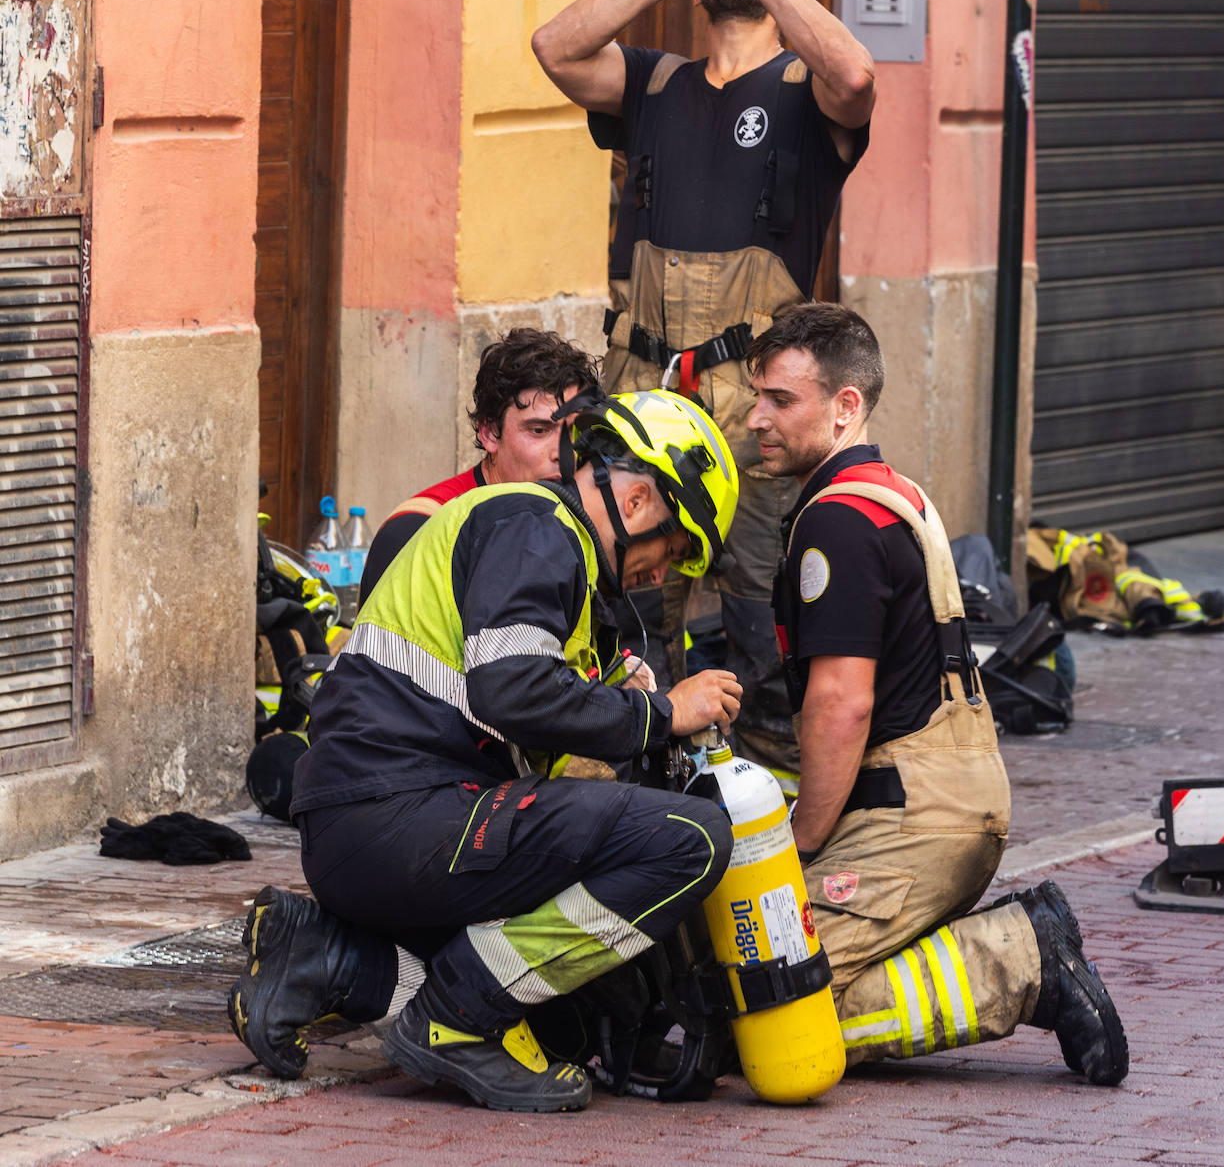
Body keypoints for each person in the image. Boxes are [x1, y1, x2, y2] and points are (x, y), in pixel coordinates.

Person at [229, 390, 744, 1112]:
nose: (664, 574)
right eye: (676, 547)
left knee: (560, 1020)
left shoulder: (546, 552)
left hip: (376, 826)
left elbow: (531, 724)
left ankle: (323, 957)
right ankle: (454, 1021)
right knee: (689, 841)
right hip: (402, 814)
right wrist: (658, 713)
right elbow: (515, 690)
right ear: (635, 502)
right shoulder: (538, 527)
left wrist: (611, 700)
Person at [743, 302, 1128, 1085]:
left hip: (908, 819)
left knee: (764, 1013)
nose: (756, 418)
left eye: (781, 400)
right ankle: (995, 948)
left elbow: (842, 705)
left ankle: (1020, 962)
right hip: (950, 798)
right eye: (757, 397)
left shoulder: (837, 524)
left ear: (846, 407)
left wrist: (802, 847)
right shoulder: (894, 493)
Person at [531, 0, 876, 782]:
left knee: (760, 603)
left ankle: (773, 800)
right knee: (634, 601)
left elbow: (855, 74)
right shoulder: (655, 84)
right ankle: (646, 788)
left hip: (751, 401)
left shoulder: (807, 92)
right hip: (644, 395)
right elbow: (555, 48)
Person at [358, 327, 601, 605]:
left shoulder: (581, 523)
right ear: (489, 433)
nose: (563, 453)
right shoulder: (416, 529)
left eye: (575, 433)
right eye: (538, 430)